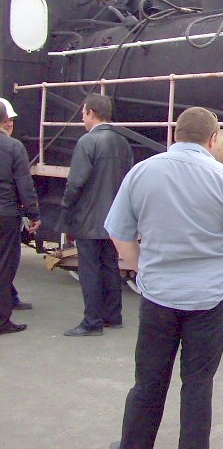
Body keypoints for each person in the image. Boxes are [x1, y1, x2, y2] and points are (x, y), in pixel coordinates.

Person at [104, 106, 223, 449]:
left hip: (158, 296)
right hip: (210, 299)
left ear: (174, 135)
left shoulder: (142, 172)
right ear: (213, 140)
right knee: (198, 384)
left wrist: (142, 266)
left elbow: (118, 234)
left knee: (148, 382)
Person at [58, 94, 134, 336]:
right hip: (114, 219)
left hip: (89, 218)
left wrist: (66, 209)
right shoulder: (123, 143)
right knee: (110, 266)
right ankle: (113, 316)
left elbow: (75, 182)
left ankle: (92, 321)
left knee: (89, 269)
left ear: (91, 113)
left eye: (83, 113)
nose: (82, 117)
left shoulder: (87, 142)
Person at [0, 100, 41, 335]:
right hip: (6, 214)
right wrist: (33, 213)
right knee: (5, 266)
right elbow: (24, 184)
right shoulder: (14, 147)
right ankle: (2, 321)